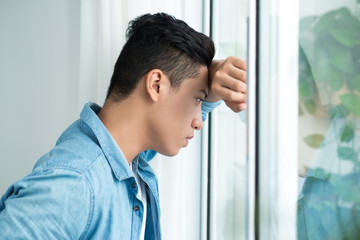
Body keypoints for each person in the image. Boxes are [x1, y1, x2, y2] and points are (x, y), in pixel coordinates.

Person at [0, 13, 247, 239]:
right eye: (197, 99)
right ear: (157, 85)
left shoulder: (124, 156)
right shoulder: (77, 181)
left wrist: (209, 87)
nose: (198, 121)